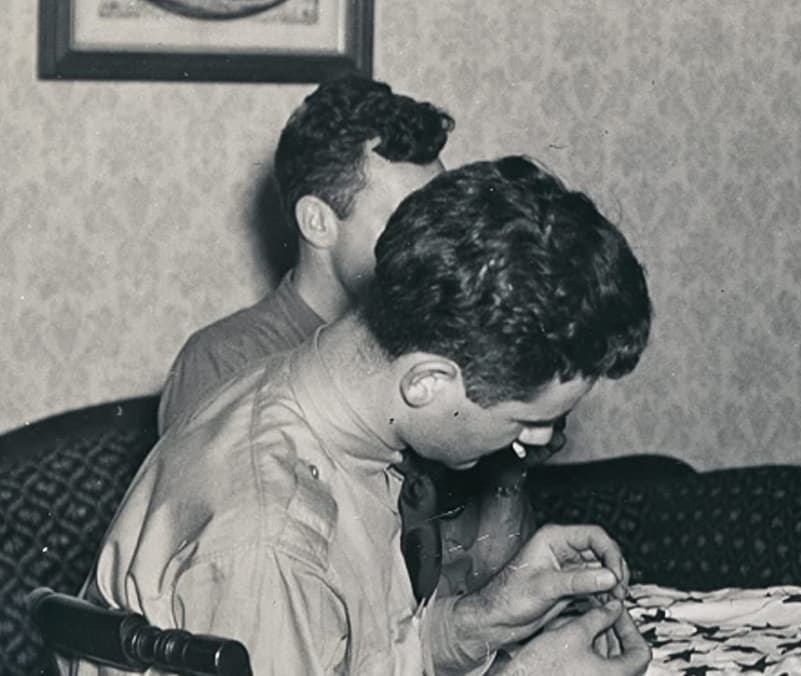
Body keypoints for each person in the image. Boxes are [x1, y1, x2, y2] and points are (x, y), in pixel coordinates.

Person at [73, 157, 658, 674]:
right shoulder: (272, 536)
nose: (535, 441)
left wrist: (473, 624)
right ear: (426, 383)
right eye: (527, 420)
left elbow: (342, 655)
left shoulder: (322, 409)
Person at [155, 75, 530, 601]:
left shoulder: (437, 360)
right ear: (317, 222)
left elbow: (482, 572)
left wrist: (508, 457)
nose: (442, 246)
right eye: (411, 220)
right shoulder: (225, 361)